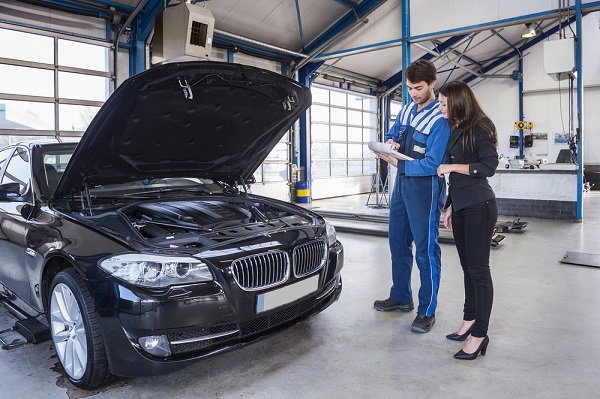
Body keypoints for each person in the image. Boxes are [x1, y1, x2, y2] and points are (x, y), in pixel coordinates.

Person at [373, 59, 451, 333]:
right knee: (397, 242)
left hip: (425, 189)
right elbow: (393, 134)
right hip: (402, 186)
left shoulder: (441, 120)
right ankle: (401, 296)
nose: (414, 94)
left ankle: (427, 310)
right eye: (409, 89)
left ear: (432, 83)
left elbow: (432, 163)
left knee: (426, 250)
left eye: (418, 88)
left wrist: (398, 164)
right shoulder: (405, 111)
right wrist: (390, 143)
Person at [436, 80, 499, 360]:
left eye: (443, 103)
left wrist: (449, 166)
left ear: (458, 102)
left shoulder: (481, 126)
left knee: (479, 271)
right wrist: (450, 206)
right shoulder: (457, 128)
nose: (440, 107)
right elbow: (457, 180)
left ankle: (480, 334)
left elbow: (489, 166)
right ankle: (468, 320)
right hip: (461, 206)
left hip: (479, 207)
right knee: (467, 270)